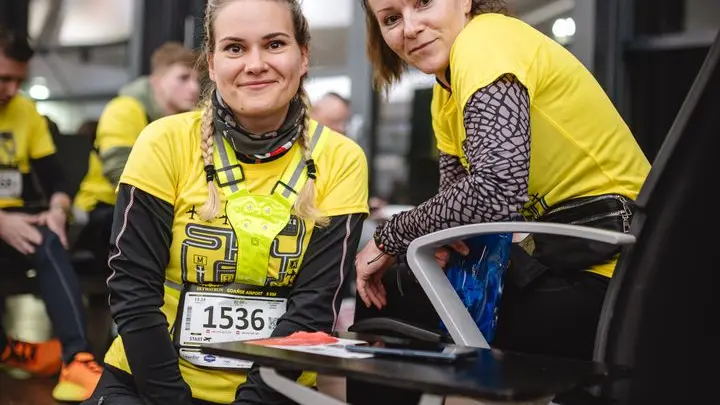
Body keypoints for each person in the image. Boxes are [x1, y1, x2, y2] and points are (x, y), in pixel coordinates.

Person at [82, 0, 368, 404]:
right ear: (212, 65)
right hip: (148, 384)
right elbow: (133, 290)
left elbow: (314, 308)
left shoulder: (342, 159)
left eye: (274, 44)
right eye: (235, 48)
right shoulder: (164, 141)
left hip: (277, 390)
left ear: (303, 56)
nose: (255, 64)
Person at [355, 0, 650, 362]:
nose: (410, 27)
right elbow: (456, 219)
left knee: (390, 306)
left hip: (615, 275)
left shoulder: (485, 40)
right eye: (391, 19)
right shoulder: (444, 94)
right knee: (398, 293)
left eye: (424, 2)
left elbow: (495, 190)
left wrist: (388, 236)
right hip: (566, 260)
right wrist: (437, 242)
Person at [0, 26, 102, 402]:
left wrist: (58, 209)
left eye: (19, 80)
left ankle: (77, 359)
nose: (11, 89)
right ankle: (10, 351)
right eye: (4, 79)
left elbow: (54, 177)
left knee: (49, 240)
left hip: (19, 224)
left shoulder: (25, 111)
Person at [72, 42, 200, 258]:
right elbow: (119, 172)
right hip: (104, 206)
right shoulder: (124, 109)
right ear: (156, 81)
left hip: (164, 207)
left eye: (197, 80)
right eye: (183, 78)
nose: (194, 88)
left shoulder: (192, 119)